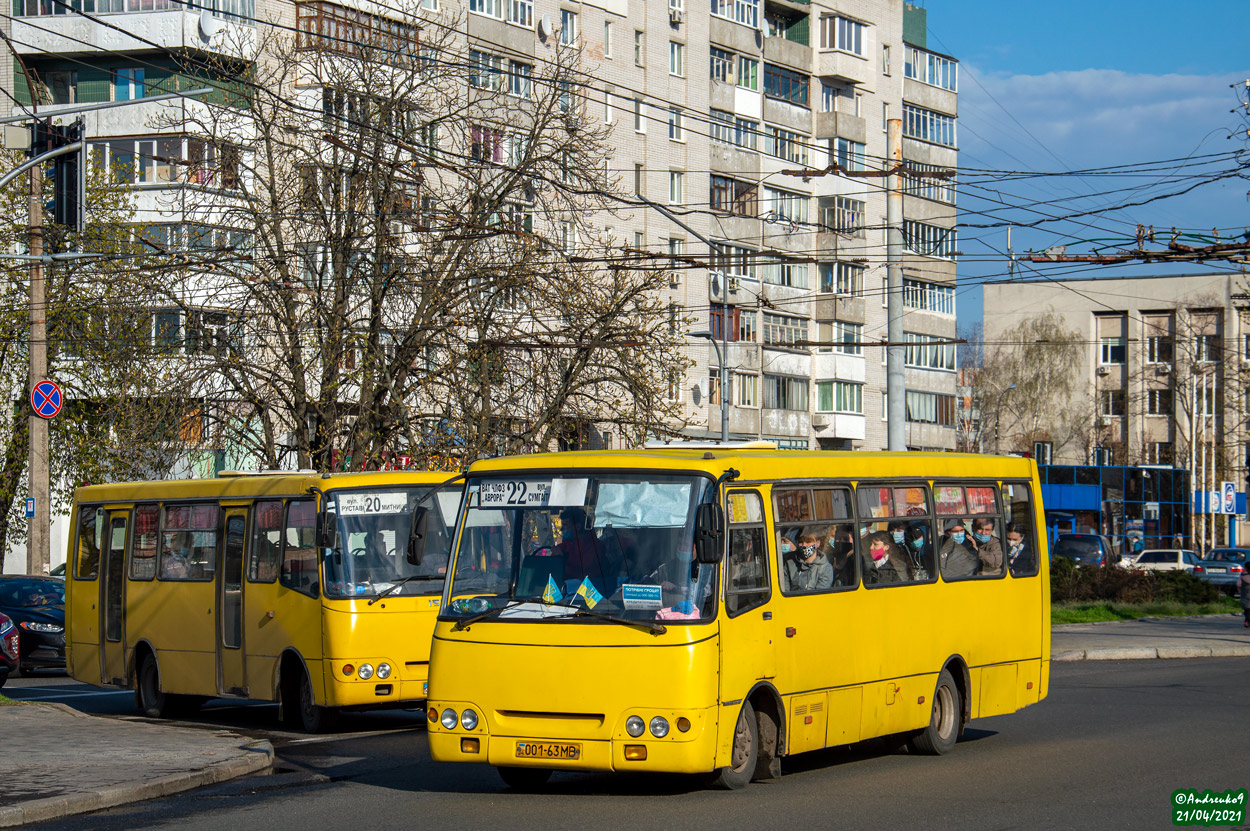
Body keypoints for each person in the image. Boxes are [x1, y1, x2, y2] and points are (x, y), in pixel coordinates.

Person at [784, 528, 834, 593]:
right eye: (801, 542)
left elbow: (820, 595)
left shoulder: (825, 568)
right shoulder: (789, 562)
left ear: (817, 543)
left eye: (808, 542)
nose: (804, 545)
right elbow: (785, 590)